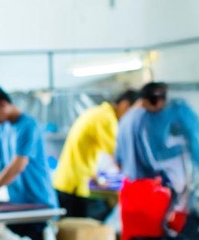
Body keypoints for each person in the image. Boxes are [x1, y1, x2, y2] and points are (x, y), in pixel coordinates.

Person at [115, 82, 199, 240]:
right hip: (152, 194)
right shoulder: (148, 120)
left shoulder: (126, 120)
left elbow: (117, 161)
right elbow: (157, 160)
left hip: (129, 195)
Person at [0, 85, 58, 240]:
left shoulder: (28, 126)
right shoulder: (3, 129)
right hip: (19, 204)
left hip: (38, 202)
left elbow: (17, 165)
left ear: (3, 104)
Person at [51, 89, 138, 220]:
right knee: (76, 232)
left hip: (68, 179)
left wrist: (96, 178)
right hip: (74, 183)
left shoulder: (98, 112)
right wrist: (135, 178)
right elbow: (117, 155)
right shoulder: (106, 119)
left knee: (71, 230)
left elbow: (85, 152)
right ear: (125, 105)